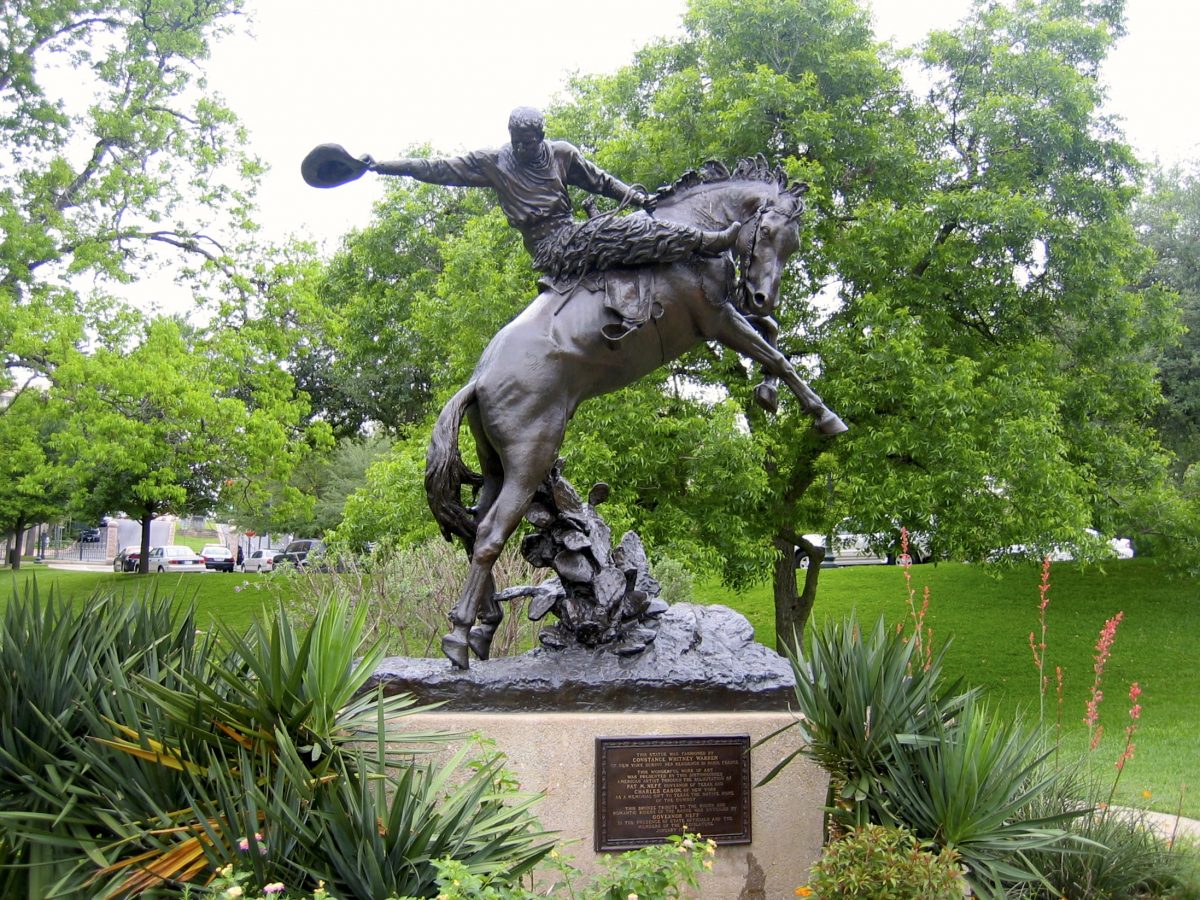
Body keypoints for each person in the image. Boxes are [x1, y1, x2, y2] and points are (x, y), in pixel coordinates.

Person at [358, 107, 741, 281]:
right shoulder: (494, 162)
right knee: (628, 233)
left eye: (527, 143)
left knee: (630, 223)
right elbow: (437, 168)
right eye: (515, 142)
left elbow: (601, 181)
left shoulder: (562, 154)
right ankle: (705, 241)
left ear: (540, 137)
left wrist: (639, 198)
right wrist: (382, 165)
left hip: (570, 230)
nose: (520, 149)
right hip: (548, 246)